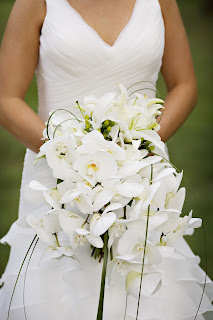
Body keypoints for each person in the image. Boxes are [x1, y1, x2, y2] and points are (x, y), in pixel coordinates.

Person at [0, 0, 212, 319]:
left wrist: (137, 145)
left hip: (142, 172)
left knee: (147, 294)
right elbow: (6, 97)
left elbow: (185, 85)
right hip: (59, 180)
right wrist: (69, 155)